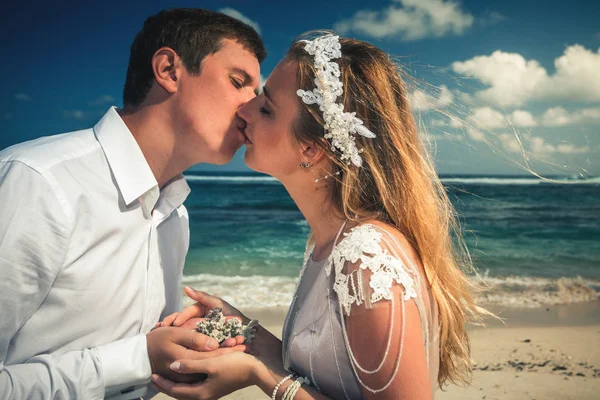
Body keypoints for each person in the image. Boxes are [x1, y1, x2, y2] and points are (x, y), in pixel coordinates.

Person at [153, 33, 485, 399]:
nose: (243, 111)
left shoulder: (368, 258)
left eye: (266, 108)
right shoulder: (334, 244)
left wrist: (261, 375)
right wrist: (250, 335)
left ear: (311, 148)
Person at [0, 8, 265, 399]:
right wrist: (139, 358)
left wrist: (188, 350)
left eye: (257, 94)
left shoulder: (176, 213)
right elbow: (135, 357)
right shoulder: (37, 183)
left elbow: (143, 359)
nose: (250, 108)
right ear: (169, 70)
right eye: (238, 82)